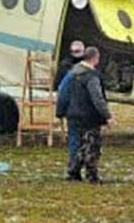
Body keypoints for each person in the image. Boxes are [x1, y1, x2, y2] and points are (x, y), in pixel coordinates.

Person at [66, 47, 115, 183]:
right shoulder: (91, 77)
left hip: (75, 113)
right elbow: (97, 98)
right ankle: (92, 176)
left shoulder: (74, 73)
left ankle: (73, 171)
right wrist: (107, 116)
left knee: (82, 146)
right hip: (89, 116)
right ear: (95, 58)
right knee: (92, 147)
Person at [55, 40, 85, 178]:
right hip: (85, 109)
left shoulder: (66, 69)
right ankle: (89, 170)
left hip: (73, 109)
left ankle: (74, 169)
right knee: (88, 140)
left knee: (75, 140)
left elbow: (61, 91)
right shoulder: (90, 69)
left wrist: (60, 111)